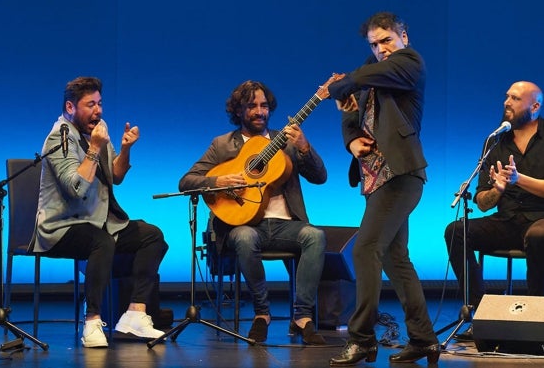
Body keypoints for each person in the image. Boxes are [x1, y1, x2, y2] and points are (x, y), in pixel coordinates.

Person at [325, 12, 440, 365]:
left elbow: (354, 83)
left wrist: (342, 84)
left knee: (364, 249)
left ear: (403, 35)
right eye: (374, 44)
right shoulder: (368, 74)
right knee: (394, 257)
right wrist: (351, 141)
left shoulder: (409, 63)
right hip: (376, 177)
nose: (381, 49)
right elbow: (350, 112)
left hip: (402, 174)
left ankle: (362, 339)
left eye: (386, 39)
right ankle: (423, 339)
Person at [178, 80, 327, 344]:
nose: (259, 112)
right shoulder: (223, 145)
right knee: (246, 238)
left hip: (285, 224)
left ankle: (302, 316)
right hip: (244, 225)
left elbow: (320, 177)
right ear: (238, 111)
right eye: (251, 106)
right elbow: (186, 181)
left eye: (264, 106)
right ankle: (262, 313)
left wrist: (305, 147)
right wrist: (216, 182)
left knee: (315, 236)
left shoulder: (287, 141)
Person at [31, 76, 169, 348]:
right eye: (90, 104)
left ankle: (134, 315)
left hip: (98, 219)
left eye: (100, 103)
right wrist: (94, 148)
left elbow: (115, 176)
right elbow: (76, 189)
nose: (98, 111)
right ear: (70, 107)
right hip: (61, 225)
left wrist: (126, 149)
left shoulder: (98, 128)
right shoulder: (59, 138)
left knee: (153, 236)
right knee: (100, 241)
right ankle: (92, 321)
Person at [444, 81, 544, 340]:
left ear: (535, 106)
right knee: (456, 231)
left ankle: (536, 319)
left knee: (539, 235)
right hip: (509, 221)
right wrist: (498, 189)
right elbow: (483, 202)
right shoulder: (495, 141)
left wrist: (519, 179)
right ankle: (480, 314)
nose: (507, 102)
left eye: (515, 98)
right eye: (506, 97)